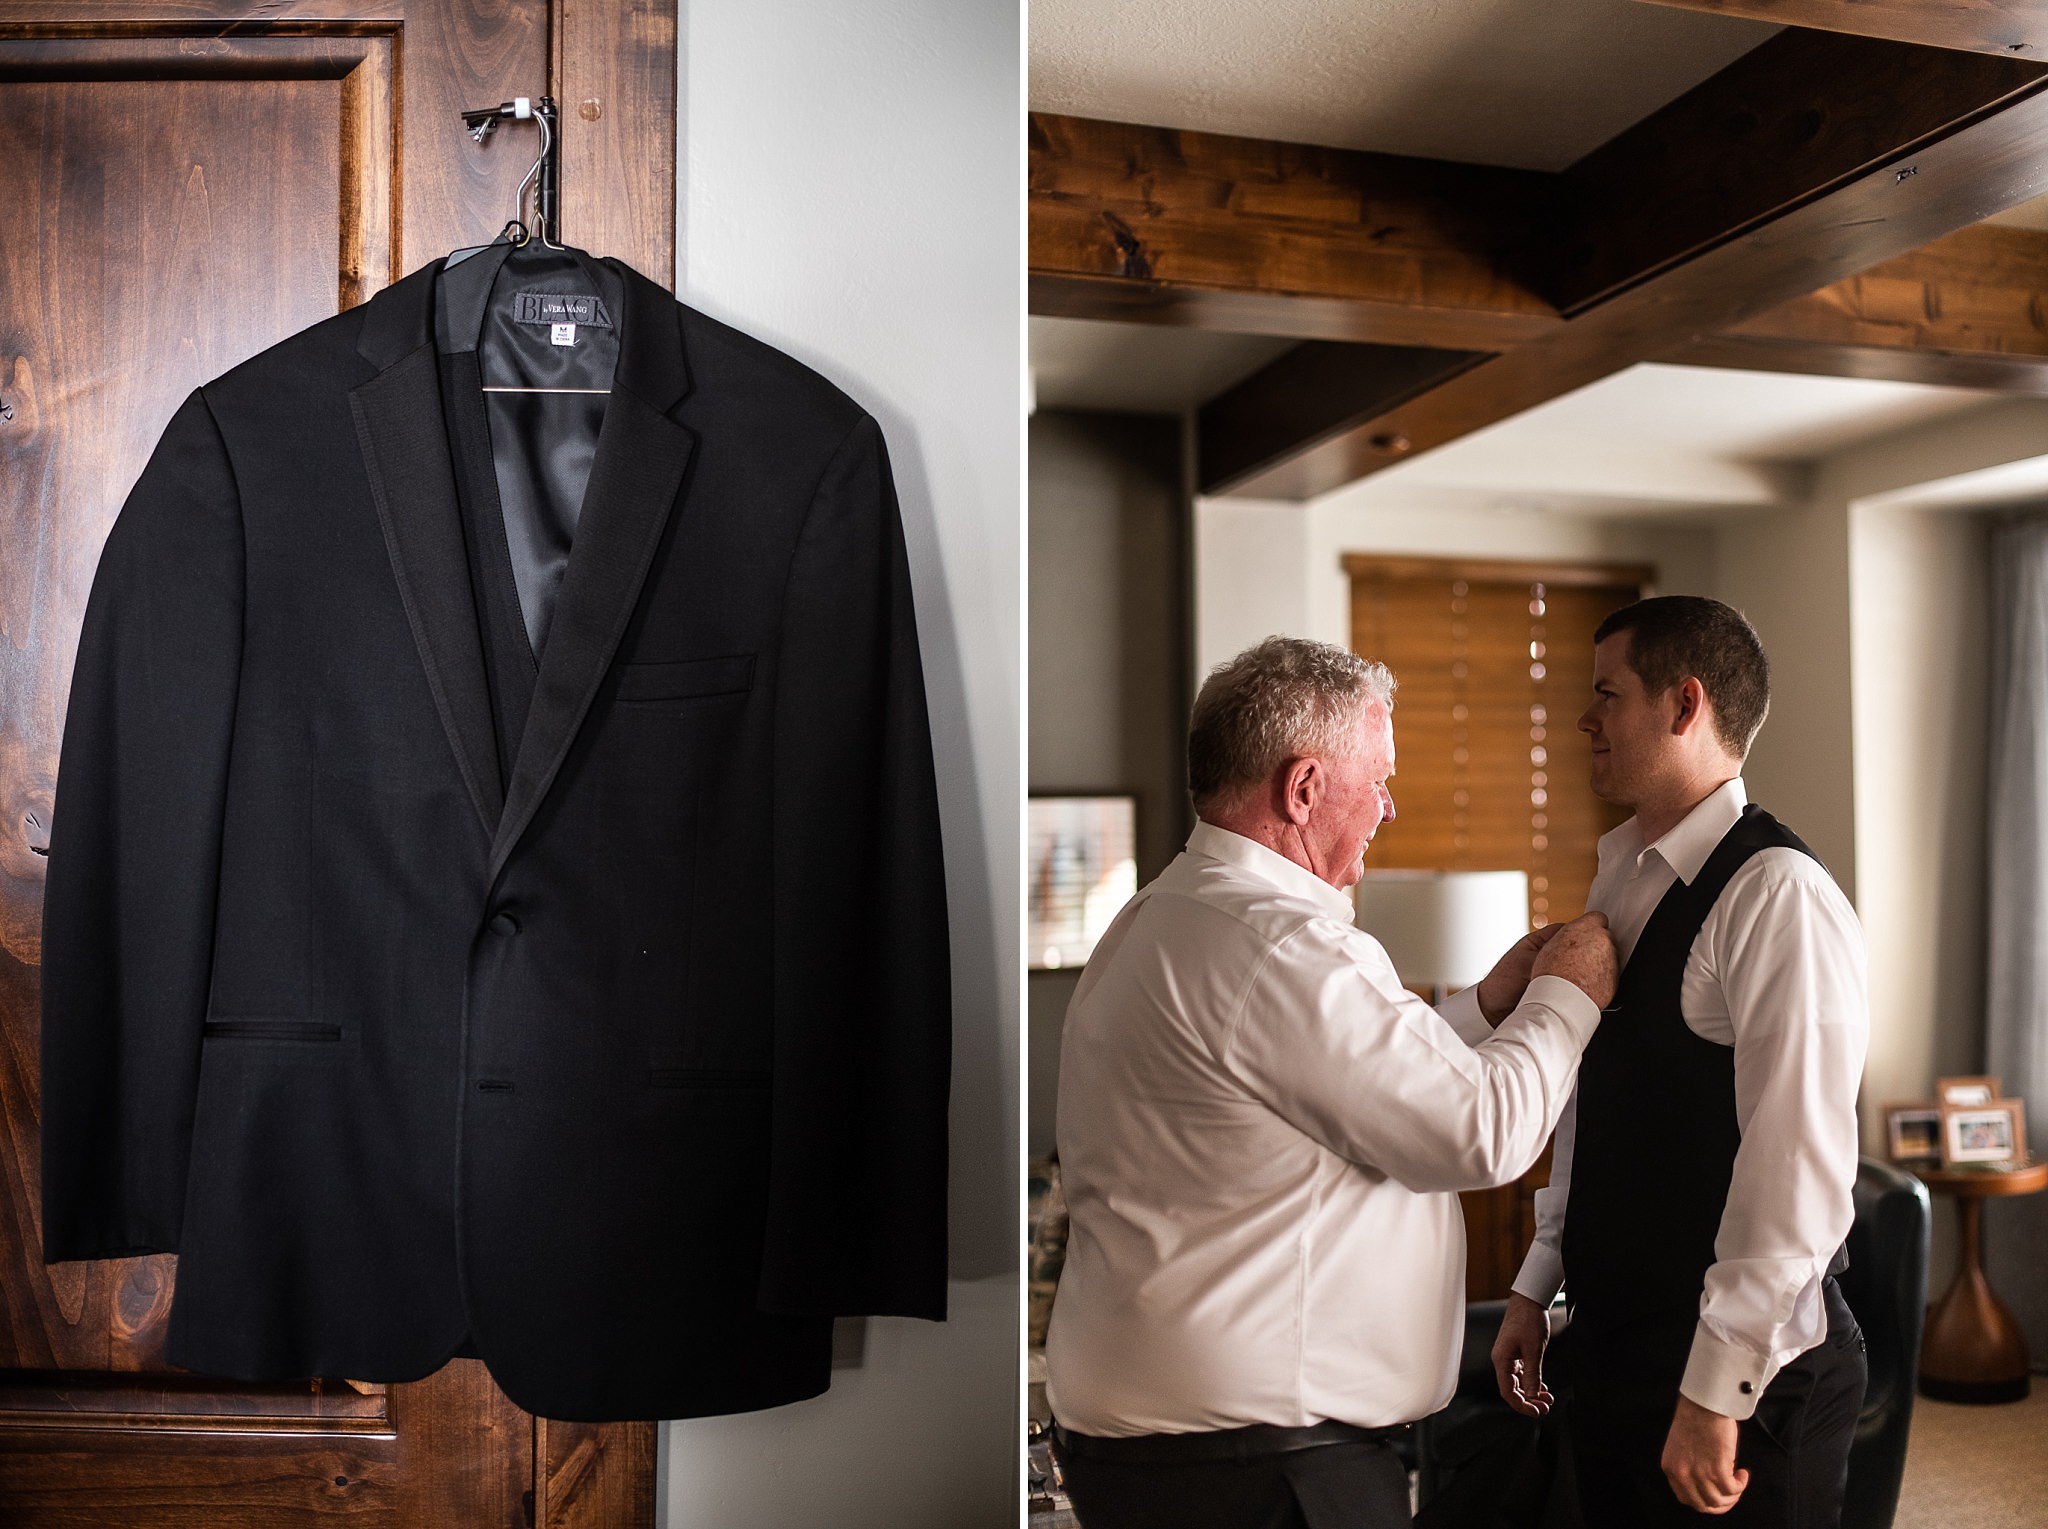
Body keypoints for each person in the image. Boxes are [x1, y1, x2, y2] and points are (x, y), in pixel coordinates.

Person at [1046, 636, 1618, 1529]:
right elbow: (1483, 1131)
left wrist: (1484, 1008)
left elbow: (1324, 1084)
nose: (1390, 806)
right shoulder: (1281, 944)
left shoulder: (1168, 915)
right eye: (1379, 777)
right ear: (1304, 787)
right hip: (1256, 1461)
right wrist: (1566, 995)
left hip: (1171, 1441)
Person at [1489, 596, 1869, 1527]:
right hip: (1619, 1349)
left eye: (1606, 693)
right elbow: (1598, 1104)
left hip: (1747, 1380)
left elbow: (1795, 1171)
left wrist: (1716, 1391)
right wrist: (1540, 1281)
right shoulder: (1622, 872)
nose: (1583, 719)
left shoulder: (1776, 895)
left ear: (1684, 703)